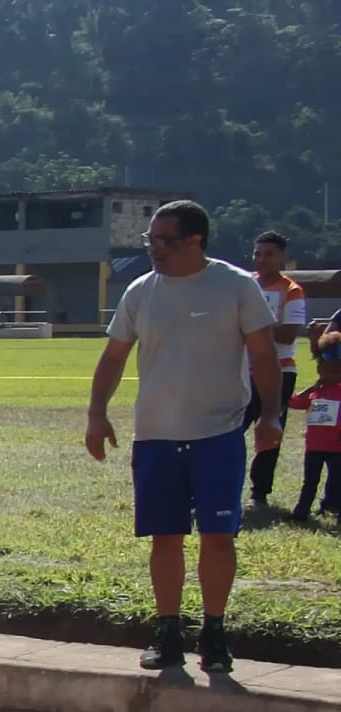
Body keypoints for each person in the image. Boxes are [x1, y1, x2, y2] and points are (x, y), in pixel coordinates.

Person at [86, 199, 279, 675]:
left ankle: (214, 632)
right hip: (155, 434)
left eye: (162, 240)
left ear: (195, 241)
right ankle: (167, 630)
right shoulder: (139, 291)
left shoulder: (235, 286)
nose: (153, 248)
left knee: (218, 535)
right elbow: (113, 358)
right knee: (164, 536)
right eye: (150, 240)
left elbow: (263, 356)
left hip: (218, 432)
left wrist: (271, 416)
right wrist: (97, 414)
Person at [243, 230, 306, 507]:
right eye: (257, 254)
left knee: (269, 432)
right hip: (243, 371)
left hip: (280, 371)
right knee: (230, 428)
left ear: (282, 257)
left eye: (269, 254)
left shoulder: (291, 291)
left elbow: (289, 333)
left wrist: (252, 328)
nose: (262, 260)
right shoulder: (245, 285)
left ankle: (260, 493)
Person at [286, 331, 341, 523]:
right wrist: (311, 388)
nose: (330, 375)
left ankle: (332, 508)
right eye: (325, 370)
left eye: (335, 371)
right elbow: (293, 402)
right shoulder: (315, 393)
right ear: (319, 370)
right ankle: (300, 513)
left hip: (336, 447)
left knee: (336, 482)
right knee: (309, 482)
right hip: (315, 447)